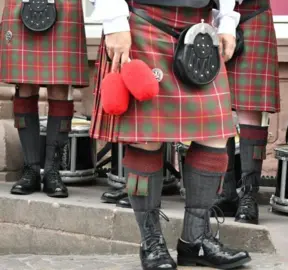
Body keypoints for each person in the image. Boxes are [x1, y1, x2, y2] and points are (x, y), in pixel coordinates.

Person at [89, 0, 251, 269]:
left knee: (214, 135)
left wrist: (228, 20)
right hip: (143, 23)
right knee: (146, 139)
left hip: (200, 28)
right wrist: (114, 22)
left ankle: (195, 239)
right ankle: (150, 242)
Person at [0, 0, 89, 198]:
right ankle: (31, 169)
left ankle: (52, 172)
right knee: (23, 85)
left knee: (60, 86)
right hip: (19, 4)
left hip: (65, 6)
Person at [212, 0, 280, 225]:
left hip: (252, 14)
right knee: (218, 108)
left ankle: (249, 195)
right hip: (212, 17)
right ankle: (226, 192)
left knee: (251, 110)